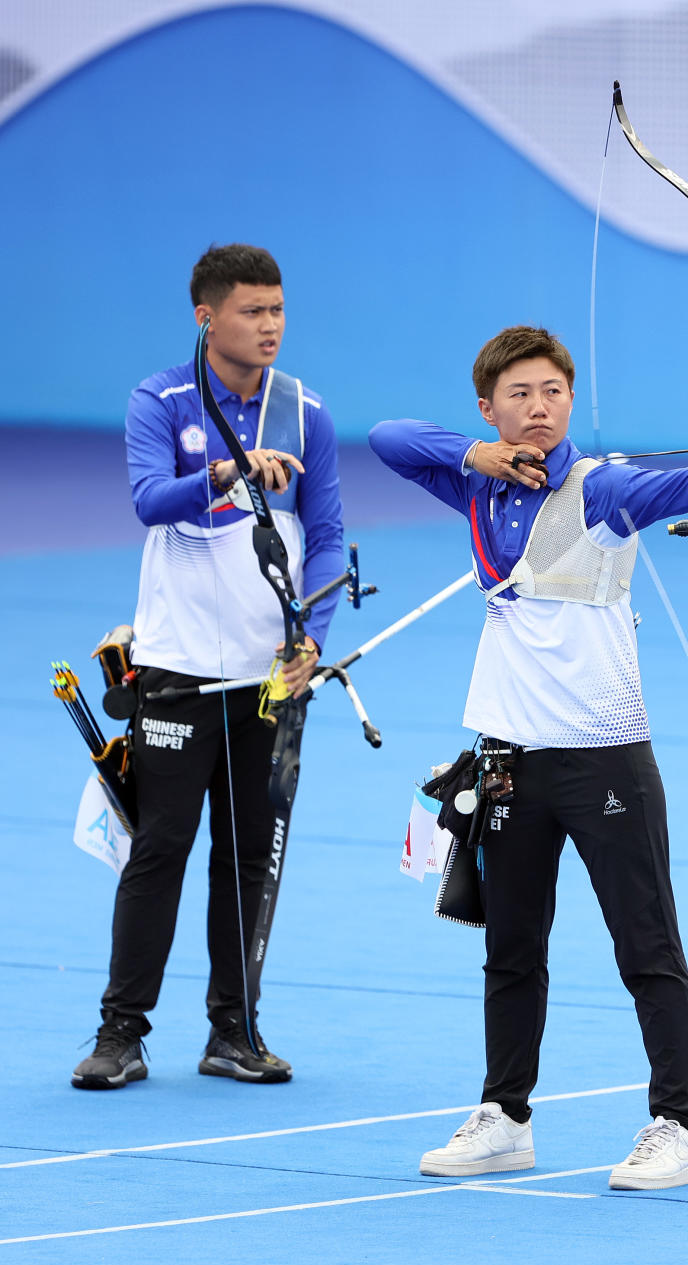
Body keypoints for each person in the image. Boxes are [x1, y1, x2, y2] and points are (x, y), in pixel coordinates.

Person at [369, 325, 688, 1189]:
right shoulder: (477, 484)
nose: (539, 410)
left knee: (645, 945)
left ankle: (679, 1125)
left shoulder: (599, 487)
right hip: (509, 756)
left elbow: (684, 485)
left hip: (605, 759)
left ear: (570, 399)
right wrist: (481, 456)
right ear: (488, 409)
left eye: (552, 392)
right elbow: (387, 439)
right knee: (510, 947)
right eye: (519, 396)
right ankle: (505, 1115)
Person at [72, 244, 344, 1090]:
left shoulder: (307, 411)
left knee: (248, 855)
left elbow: (328, 536)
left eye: (278, 310)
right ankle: (121, 1033)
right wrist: (224, 475)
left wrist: (312, 640)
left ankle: (235, 1030)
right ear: (206, 317)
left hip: (268, 679)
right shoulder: (159, 400)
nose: (270, 326)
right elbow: (150, 499)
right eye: (252, 311)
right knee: (160, 849)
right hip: (179, 671)